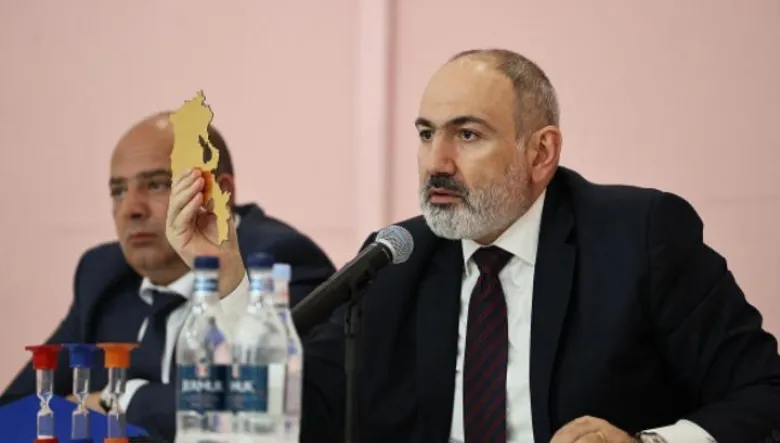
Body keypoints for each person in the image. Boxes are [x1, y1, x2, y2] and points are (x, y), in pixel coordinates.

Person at [165, 49, 780, 443]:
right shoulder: (397, 260)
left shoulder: (638, 236)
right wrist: (223, 271)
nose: (437, 162)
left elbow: (763, 394)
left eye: (467, 134)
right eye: (426, 134)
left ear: (540, 152)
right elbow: (300, 413)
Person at [0, 112, 335, 441]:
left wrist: (121, 400)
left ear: (220, 194)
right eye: (118, 191)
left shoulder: (278, 262)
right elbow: (14, 414)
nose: (131, 209)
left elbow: (285, 408)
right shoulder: (103, 273)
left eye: (157, 184)